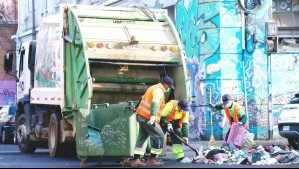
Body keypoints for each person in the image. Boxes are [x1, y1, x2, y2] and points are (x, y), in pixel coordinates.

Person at [131, 76, 175, 167]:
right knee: (159, 136)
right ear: (166, 85)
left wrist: (136, 107)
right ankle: (152, 159)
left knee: (142, 138)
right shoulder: (159, 90)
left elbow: (142, 98)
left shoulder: (152, 87)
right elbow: (154, 103)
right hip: (148, 118)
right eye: (169, 86)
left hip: (141, 116)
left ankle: (136, 160)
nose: (169, 88)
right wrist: (153, 116)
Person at [160, 99, 193, 163]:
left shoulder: (185, 111)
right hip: (163, 123)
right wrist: (168, 124)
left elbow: (185, 124)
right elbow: (162, 116)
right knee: (159, 137)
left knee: (178, 136)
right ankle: (153, 157)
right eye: (183, 109)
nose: (185, 111)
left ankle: (180, 157)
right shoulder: (170, 106)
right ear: (179, 106)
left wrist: (185, 136)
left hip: (175, 125)